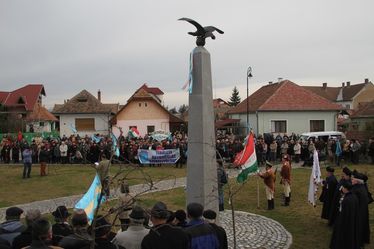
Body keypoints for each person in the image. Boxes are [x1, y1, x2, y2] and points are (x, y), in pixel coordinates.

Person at [329, 181, 359, 249]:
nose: (342, 188)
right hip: (351, 220)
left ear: (345, 189)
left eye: (342, 187)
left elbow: (342, 212)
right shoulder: (354, 197)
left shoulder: (346, 200)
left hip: (344, 222)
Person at [351, 171, 370, 247]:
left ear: (357, 181)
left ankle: (358, 240)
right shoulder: (361, 187)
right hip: (362, 211)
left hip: (359, 212)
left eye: (353, 179)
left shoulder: (357, 190)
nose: (351, 180)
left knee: (358, 227)